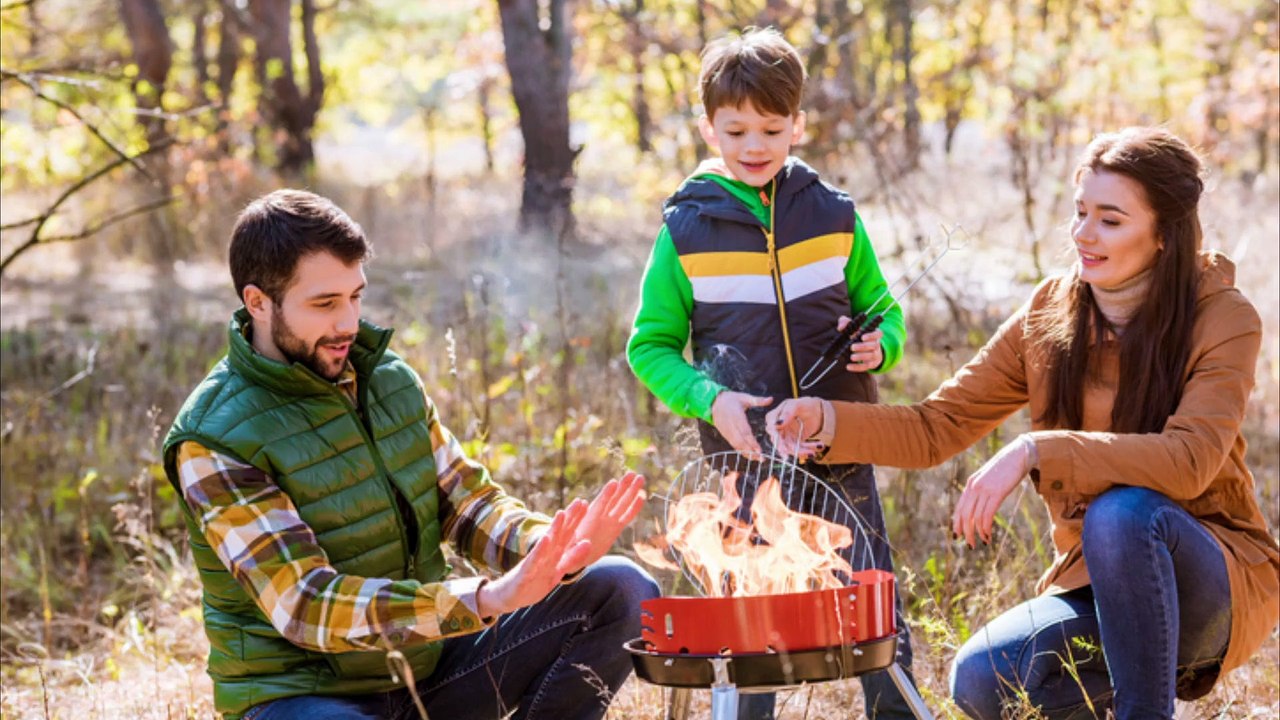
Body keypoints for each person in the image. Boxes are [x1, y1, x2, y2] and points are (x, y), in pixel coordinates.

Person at [767, 127, 1280, 719]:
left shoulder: (1222, 317)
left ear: (1163, 234)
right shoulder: (1051, 312)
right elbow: (938, 426)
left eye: (1110, 220)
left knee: (1123, 512)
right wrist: (826, 419)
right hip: (1098, 584)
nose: (1084, 234)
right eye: (1080, 211)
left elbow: (1189, 462)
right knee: (984, 680)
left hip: (1211, 583)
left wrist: (1037, 448)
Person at [162, 189, 659, 720]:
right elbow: (306, 605)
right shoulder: (212, 437)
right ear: (258, 301)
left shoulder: (388, 380)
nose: (349, 323)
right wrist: (485, 600)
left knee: (622, 588)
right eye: (325, 304)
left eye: (356, 296)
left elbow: (467, 505)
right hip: (301, 698)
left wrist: (554, 552)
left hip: (428, 674)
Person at [625, 27, 916, 720]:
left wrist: (883, 347)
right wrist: (712, 399)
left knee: (871, 602)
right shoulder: (685, 232)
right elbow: (650, 347)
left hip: (840, 444)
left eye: (771, 128)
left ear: (798, 126)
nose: (754, 146)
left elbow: (885, 311)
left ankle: (897, 711)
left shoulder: (834, 216)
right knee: (753, 623)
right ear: (707, 128)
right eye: (736, 130)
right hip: (745, 460)